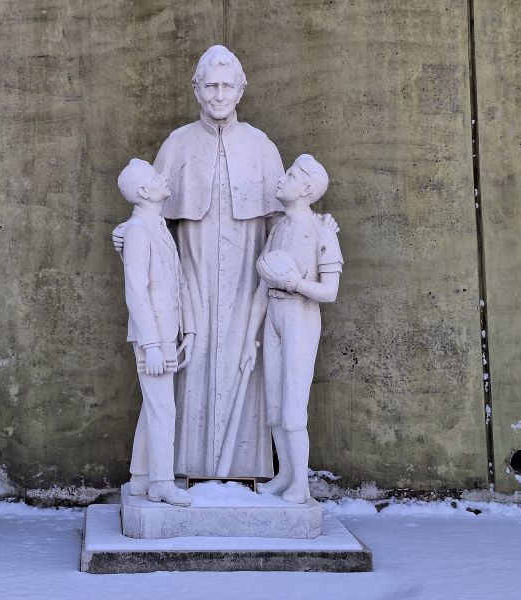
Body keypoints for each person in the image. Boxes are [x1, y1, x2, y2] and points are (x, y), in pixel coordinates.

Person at [114, 46, 338, 478]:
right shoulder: (177, 144)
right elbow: (149, 215)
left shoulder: (261, 146)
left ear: (241, 91)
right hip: (192, 275)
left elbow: (285, 217)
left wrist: (320, 225)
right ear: (196, 90)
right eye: (211, 86)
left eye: (227, 86)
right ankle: (176, 470)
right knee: (189, 361)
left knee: (244, 361)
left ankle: (241, 471)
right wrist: (126, 233)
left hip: (245, 276)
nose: (219, 95)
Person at [240, 155, 343, 503]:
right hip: (273, 316)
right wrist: (249, 337)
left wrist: (295, 282)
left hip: (300, 317)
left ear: (308, 189)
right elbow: (261, 287)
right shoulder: (279, 228)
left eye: (291, 175)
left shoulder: (322, 232)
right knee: (274, 403)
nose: (282, 179)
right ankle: (285, 474)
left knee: (293, 407)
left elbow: (329, 292)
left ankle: (301, 483)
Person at [117, 158, 195, 506]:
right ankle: (161, 482)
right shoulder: (137, 231)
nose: (164, 176)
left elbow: (177, 283)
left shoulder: (156, 227)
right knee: (163, 408)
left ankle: (140, 477)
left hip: (168, 332)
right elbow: (136, 290)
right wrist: (151, 344)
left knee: (154, 405)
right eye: (154, 175)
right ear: (145, 191)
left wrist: (187, 330)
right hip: (153, 335)